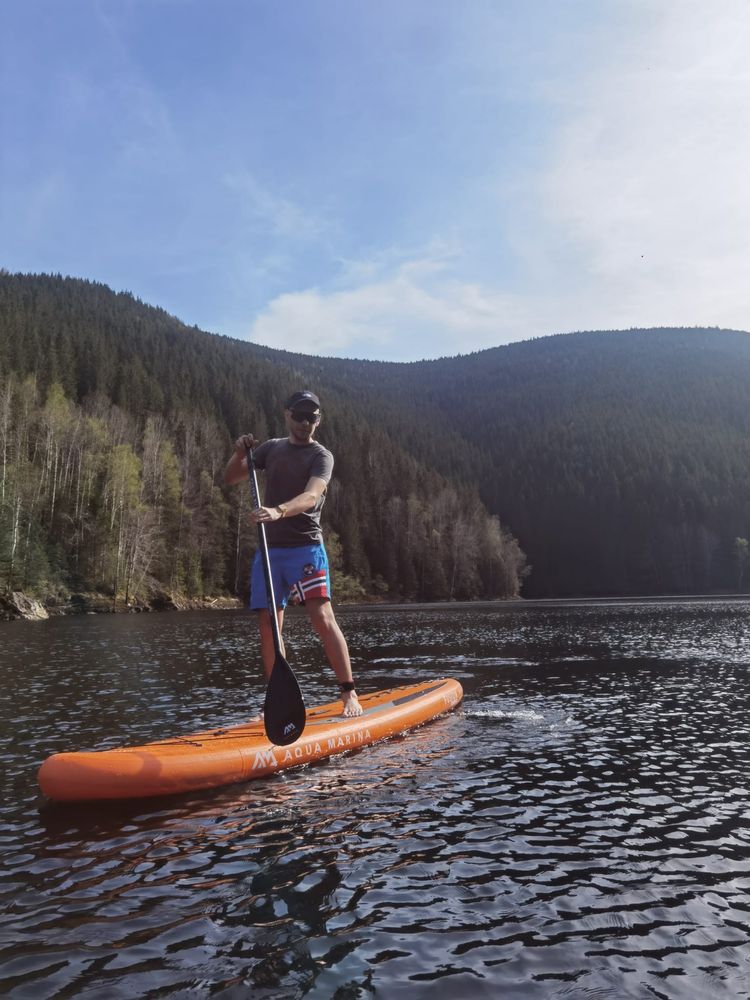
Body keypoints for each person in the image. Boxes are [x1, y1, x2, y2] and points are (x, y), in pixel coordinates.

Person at [224, 390, 363, 718]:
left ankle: (349, 694)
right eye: (299, 415)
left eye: (311, 417)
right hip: (269, 552)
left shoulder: (321, 456)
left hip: (305, 549)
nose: (305, 423)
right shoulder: (271, 449)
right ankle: (280, 701)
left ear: (319, 420)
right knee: (270, 627)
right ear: (287, 415)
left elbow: (312, 496)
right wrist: (237, 453)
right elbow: (231, 477)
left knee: (322, 618)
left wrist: (278, 511)